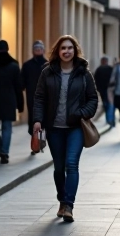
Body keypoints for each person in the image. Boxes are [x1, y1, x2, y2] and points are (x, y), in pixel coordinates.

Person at [32, 35, 99, 223]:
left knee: (72, 164)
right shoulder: (48, 72)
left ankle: (69, 205)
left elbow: (93, 98)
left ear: (75, 50)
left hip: (75, 127)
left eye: (70, 48)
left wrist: (82, 113)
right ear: (58, 51)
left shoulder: (83, 73)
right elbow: (39, 98)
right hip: (54, 128)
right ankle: (62, 200)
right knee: (59, 167)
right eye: (63, 48)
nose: (67, 51)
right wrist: (37, 120)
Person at [21, 41, 48, 144]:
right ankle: (35, 140)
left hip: (46, 97)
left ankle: (41, 138)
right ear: (32, 50)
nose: (38, 50)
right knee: (33, 118)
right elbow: (22, 82)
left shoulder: (47, 65)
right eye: (36, 48)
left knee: (44, 117)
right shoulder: (27, 65)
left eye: (40, 48)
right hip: (32, 97)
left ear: (43, 50)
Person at [93, 56, 115, 128]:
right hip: (109, 90)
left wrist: (98, 89)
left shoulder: (99, 69)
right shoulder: (110, 69)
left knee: (106, 105)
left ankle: (109, 120)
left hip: (103, 90)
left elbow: (95, 80)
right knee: (110, 105)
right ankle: (110, 120)